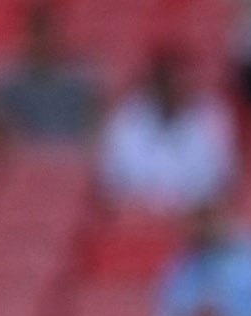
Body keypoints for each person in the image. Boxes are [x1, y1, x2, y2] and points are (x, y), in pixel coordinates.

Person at [99, 51, 238, 214]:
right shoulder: (127, 115)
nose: (175, 89)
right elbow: (111, 176)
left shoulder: (212, 116)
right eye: (168, 82)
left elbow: (221, 179)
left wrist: (180, 205)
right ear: (155, 84)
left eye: (181, 82)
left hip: (193, 216)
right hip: (135, 215)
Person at [0, 3, 103, 144]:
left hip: (75, 158)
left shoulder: (82, 80)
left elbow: (97, 128)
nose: (44, 41)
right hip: (24, 160)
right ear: (27, 36)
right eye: (38, 33)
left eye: (49, 33)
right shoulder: (6, 83)